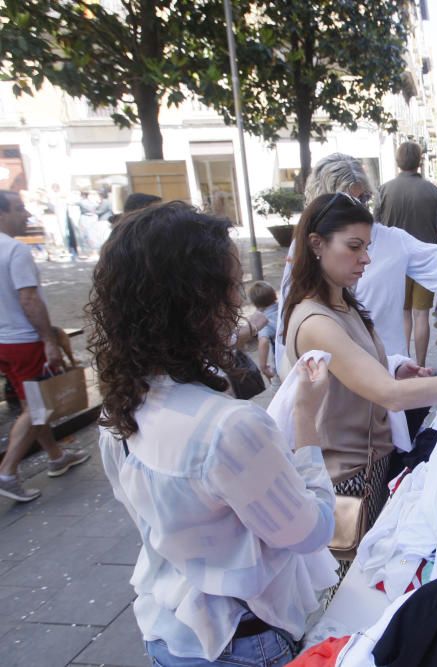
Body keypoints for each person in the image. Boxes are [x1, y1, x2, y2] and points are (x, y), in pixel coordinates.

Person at [89, 201, 338, 666]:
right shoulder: (229, 429)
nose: (237, 302)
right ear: (200, 305)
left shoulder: (119, 409)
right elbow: (310, 531)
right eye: (232, 288)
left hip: (168, 631)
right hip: (239, 642)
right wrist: (306, 419)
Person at [282, 192, 437, 576]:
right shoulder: (315, 320)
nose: (365, 258)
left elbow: (369, 375)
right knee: (353, 597)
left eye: (366, 247)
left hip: (371, 468)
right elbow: (389, 396)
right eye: (354, 247)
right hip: (348, 483)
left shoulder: (343, 304)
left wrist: (396, 366)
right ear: (317, 245)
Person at [278, 152, 437, 441]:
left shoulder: (386, 245)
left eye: (362, 200)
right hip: (343, 413)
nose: (364, 259)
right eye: (344, 202)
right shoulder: (311, 301)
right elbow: (289, 331)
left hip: (385, 393)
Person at [0, 190, 90, 503]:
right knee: (36, 407)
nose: (26, 214)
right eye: (19, 208)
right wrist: (49, 340)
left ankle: (55, 454)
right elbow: (28, 298)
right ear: (3, 214)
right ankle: (8, 472)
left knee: (31, 403)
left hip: (4, 342)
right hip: (24, 340)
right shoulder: (15, 251)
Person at [375, 142, 437, 368]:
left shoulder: (384, 190)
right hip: (425, 263)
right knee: (421, 315)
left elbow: (373, 230)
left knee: (402, 315)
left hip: (393, 263)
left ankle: (403, 363)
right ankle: (420, 364)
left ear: (398, 161)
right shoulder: (431, 190)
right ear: (419, 161)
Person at [249, 281, 280, 382]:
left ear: (255, 303)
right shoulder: (284, 308)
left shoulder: (264, 320)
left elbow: (263, 342)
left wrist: (263, 366)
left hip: (280, 363)